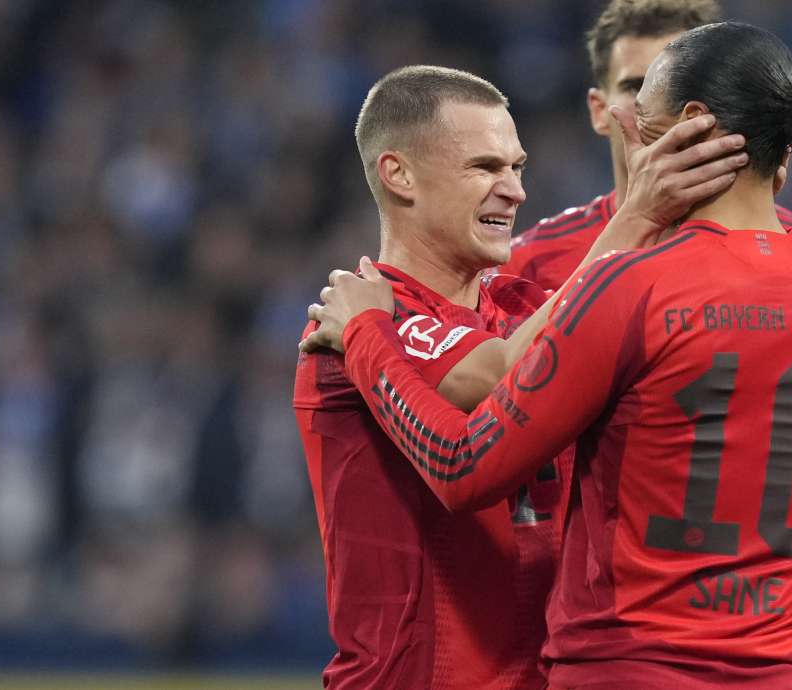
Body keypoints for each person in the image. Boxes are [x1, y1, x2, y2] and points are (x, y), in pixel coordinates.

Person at [309, 22, 792, 690]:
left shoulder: (628, 288)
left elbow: (464, 465)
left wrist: (366, 335)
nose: (623, 127)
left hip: (628, 668)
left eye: (640, 114)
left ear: (691, 126)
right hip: (784, 672)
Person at [293, 65, 747, 689]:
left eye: (517, 167)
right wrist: (636, 215)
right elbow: (503, 373)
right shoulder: (362, 320)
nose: (515, 192)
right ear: (399, 175)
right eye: (485, 168)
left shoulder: (523, 308)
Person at [500, 3, 792, 688]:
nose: (675, 119)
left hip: (679, 652)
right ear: (603, 110)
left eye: (676, 84)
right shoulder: (529, 264)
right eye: (636, 85)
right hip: (564, 647)